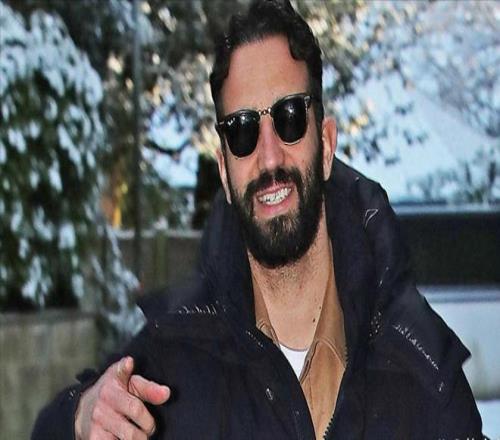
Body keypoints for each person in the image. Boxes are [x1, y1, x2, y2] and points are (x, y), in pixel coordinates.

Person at [33, 0, 485, 439]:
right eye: (243, 130)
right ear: (224, 171)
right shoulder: (172, 366)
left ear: (326, 145)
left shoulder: (420, 371)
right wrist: (81, 415)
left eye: (290, 118)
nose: (269, 158)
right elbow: (61, 425)